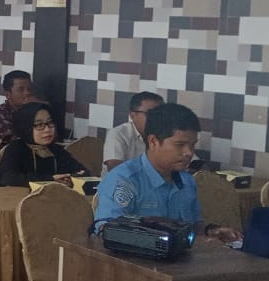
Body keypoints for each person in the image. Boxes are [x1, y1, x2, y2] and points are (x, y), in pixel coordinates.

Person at [94, 103, 242, 242]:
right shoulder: (124, 180)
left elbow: (193, 227)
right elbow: (107, 231)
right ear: (153, 141)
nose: (188, 153)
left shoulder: (187, 181)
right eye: (180, 145)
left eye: (192, 145)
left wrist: (211, 231)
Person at [0, 102, 88, 187]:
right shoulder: (16, 149)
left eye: (50, 122)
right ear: (26, 128)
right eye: (39, 125)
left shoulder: (56, 150)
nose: (47, 129)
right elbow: (7, 178)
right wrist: (50, 180)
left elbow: (84, 173)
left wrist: (71, 180)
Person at [103, 91, 164, 171]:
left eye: (160, 114)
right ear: (132, 115)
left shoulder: (165, 135)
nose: (156, 119)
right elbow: (115, 169)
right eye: (150, 114)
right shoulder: (118, 133)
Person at [0, 70, 33, 143]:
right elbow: (16, 143)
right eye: (21, 89)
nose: (27, 93)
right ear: (8, 94)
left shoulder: (30, 109)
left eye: (29, 89)